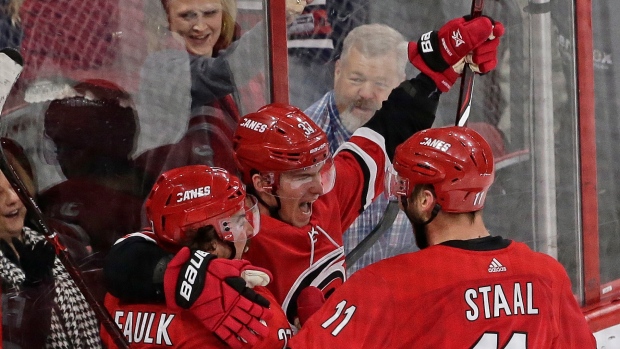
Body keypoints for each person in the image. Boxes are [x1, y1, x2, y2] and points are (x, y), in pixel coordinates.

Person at [105, 14, 504, 333]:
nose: (318, 186)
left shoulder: (327, 194)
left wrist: (437, 67)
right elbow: (124, 259)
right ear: (263, 184)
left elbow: (390, 128)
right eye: (301, 177)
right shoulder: (232, 225)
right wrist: (183, 278)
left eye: (321, 169)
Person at [287, 126, 597, 348]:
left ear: (425, 201)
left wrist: (319, 322)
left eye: (403, 188)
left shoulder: (383, 287)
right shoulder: (546, 274)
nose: (399, 197)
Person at [102, 165, 292, 348]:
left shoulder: (116, 297)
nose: (249, 230)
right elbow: (278, 336)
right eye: (240, 222)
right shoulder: (232, 310)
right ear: (211, 243)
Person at [304, 23, 416, 274]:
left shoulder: (417, 137)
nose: (366, 93)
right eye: (356, 79)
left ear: (401, 84)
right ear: (337, 71)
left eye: (380, 83)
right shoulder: (303, 142)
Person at [0, 142, 102, 348]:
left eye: (15, 186)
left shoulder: (64, 246)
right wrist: (34, 294)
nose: (12, 199)